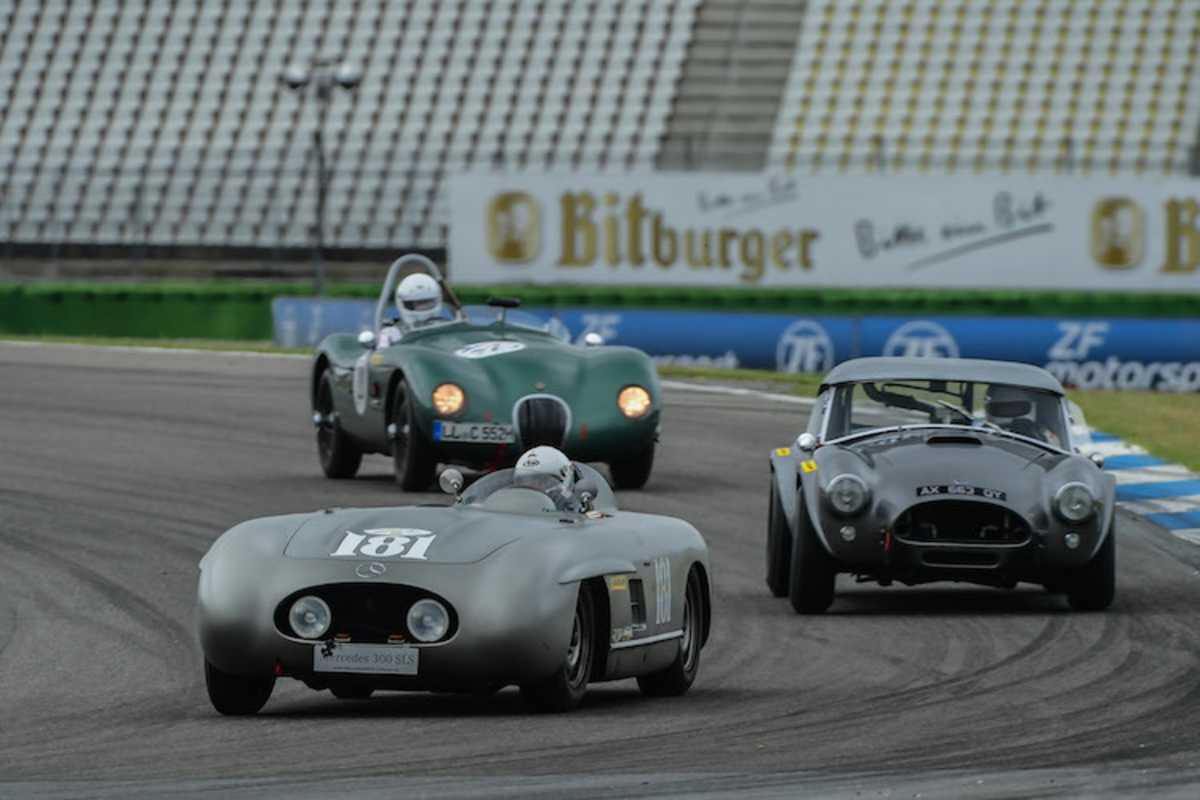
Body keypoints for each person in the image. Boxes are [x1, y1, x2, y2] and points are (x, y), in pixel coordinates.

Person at [378, 273, 444, 347]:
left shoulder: (446, 329)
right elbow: (378, 354)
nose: (424, 307)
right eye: (419, 303)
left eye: (428, 302)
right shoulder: (390, 333)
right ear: (407, 304)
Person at [511, 445, 578, 511]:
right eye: (525, 482)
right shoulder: (511, 512)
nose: (533, 487)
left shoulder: (574, 512)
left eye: (543, 482)